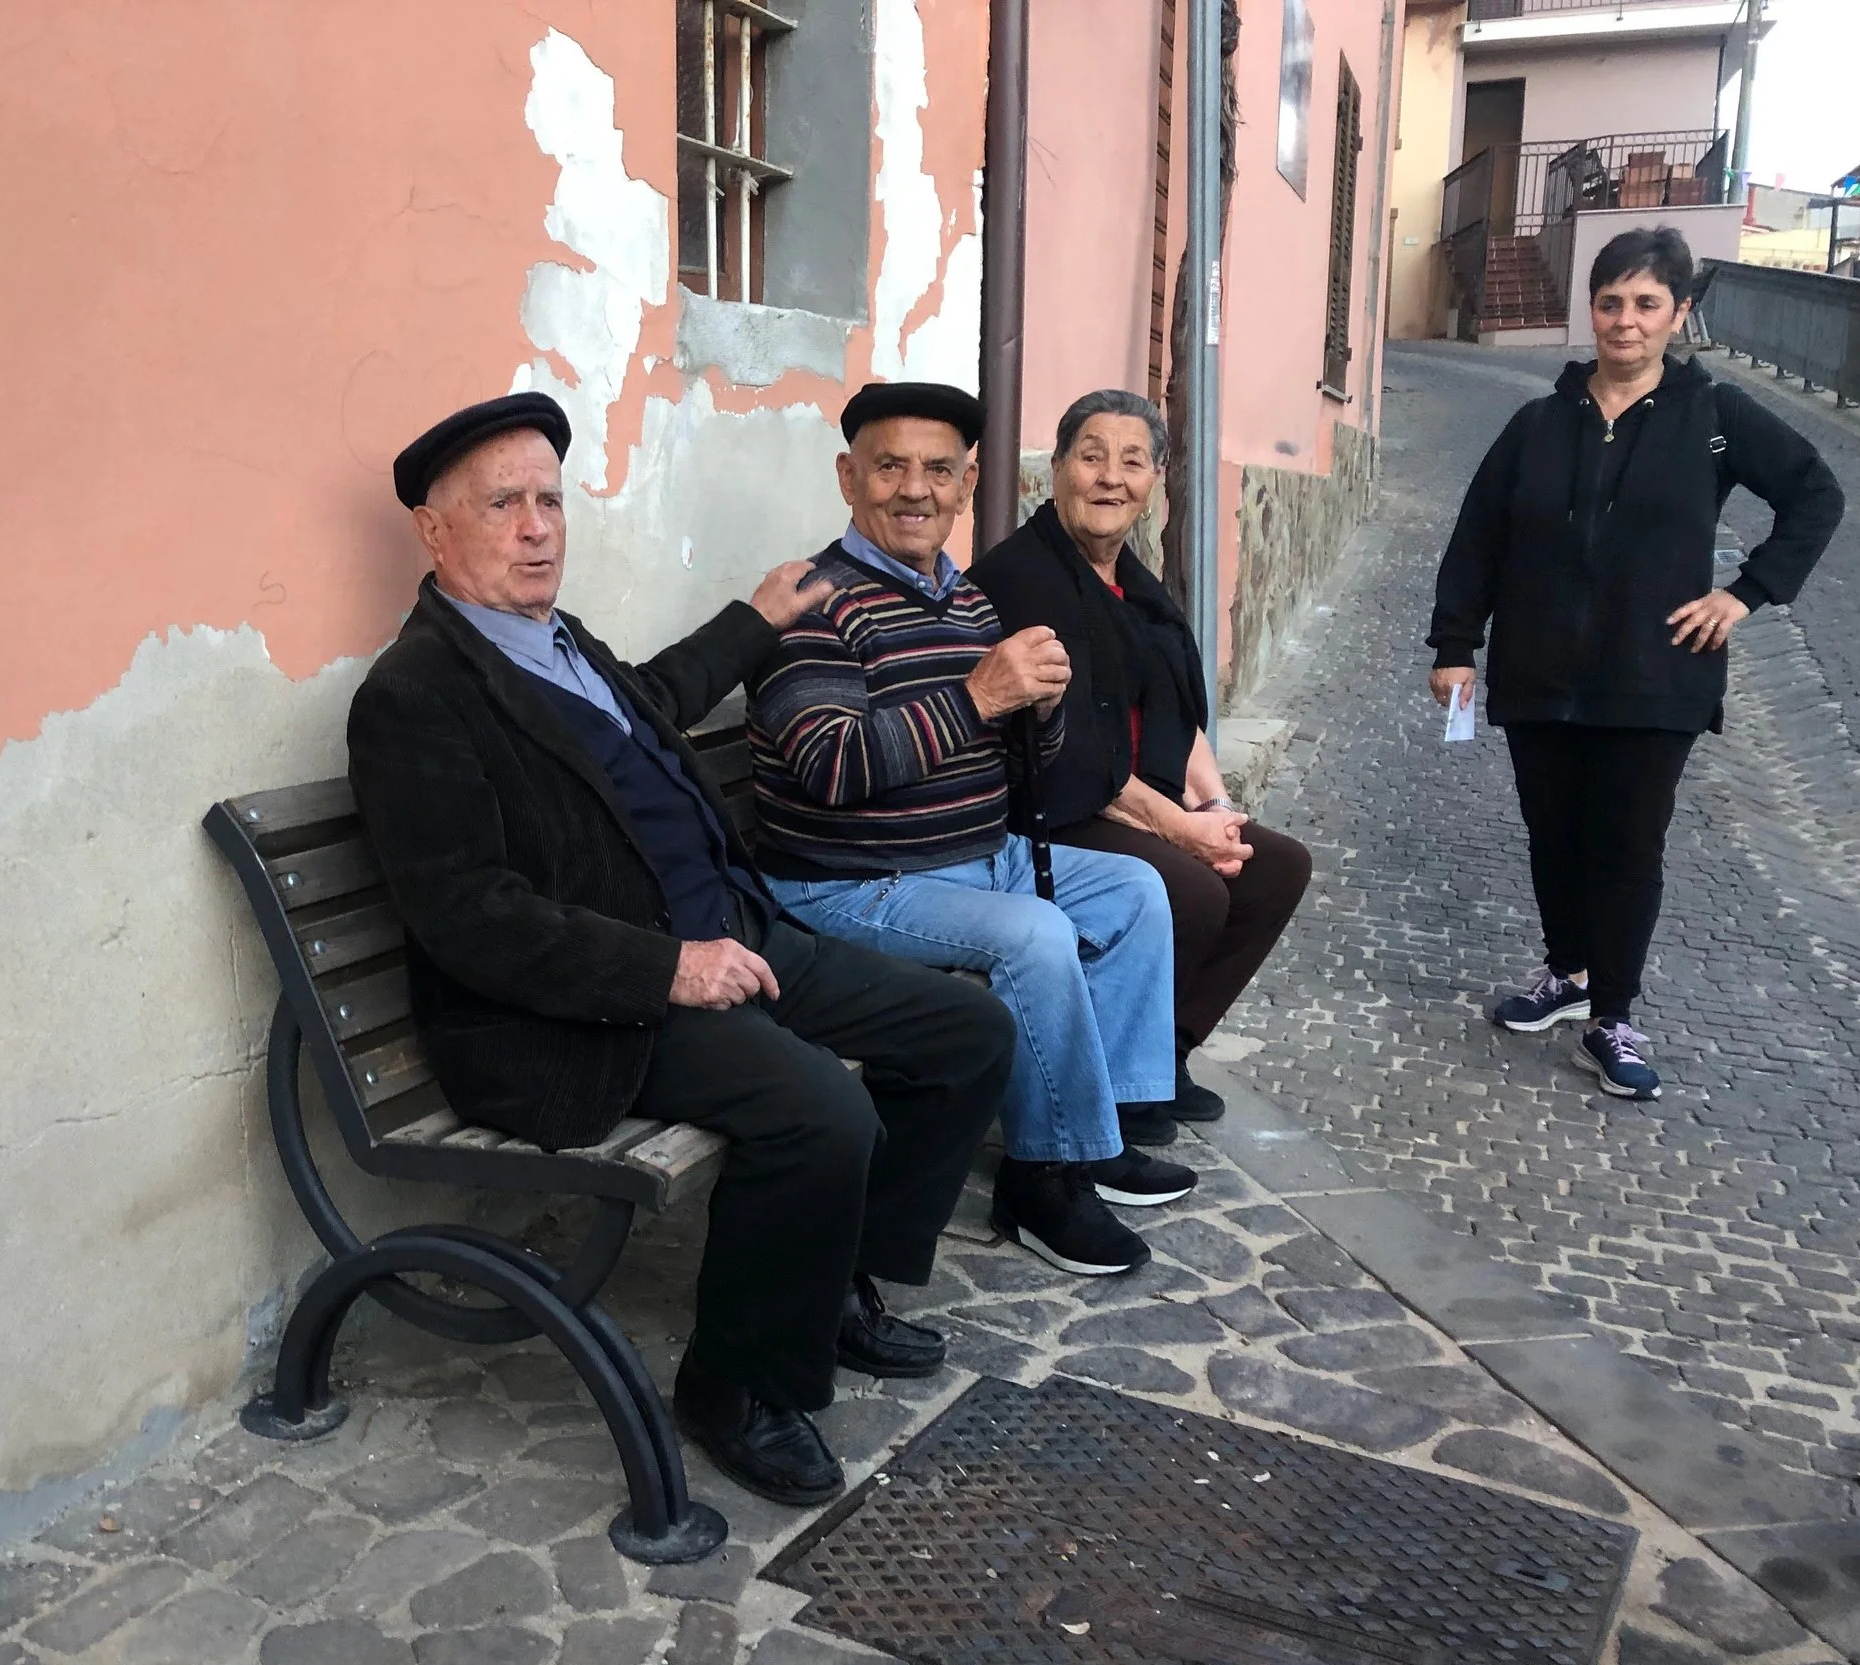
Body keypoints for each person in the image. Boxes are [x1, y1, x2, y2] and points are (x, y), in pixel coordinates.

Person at [346, 392, 1015, 1508]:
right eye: (502, 505)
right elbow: (469, 915)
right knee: (821, 1112)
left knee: (965, 1030)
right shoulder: (415, 695)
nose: (536, 528)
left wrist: (751, 622)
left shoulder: (557, 644)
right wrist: (668, 970)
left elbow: (647, 706)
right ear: (433, 529)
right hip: (584, 1010)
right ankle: (735, 1388)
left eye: (548, 501)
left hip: (723, 934)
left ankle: (839, 1282)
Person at [745, 380, 1194, 1282]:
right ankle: (1042, 1180)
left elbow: (1016, 755)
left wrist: (1042, 706)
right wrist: (980, 695)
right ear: (849, 477)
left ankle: (1106, 1128)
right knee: (1035, 934)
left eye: (939, 471)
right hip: (847, 882)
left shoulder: (966, 602)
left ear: (967, 483)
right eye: (890, 467)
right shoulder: (811, 606)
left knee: (1137, 889)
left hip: (968, 861)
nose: (916, 489)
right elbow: (833, 768)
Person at [1430, 227, 1843, 1099]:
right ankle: (1568, 972)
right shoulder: (1537, 424)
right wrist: (1456, 646)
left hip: (1656, 677)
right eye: (1610, 302)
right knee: (1554, 835)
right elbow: (1479, 538)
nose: (1625, 321)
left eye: (1646, 303)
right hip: (1541, 671)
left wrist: (1746, 592)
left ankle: (1611, 1014)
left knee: (1625, 844)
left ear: (1678, 313)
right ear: (1593, 309)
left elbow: (1815, 493)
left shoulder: (1718, 420)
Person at [971, 390, 1311, 1137]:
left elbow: (1172, 709)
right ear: (1056, 469)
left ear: (1156, 477)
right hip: (1047, 805)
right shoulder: (1026, 577)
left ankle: (1167, 1050)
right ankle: (1117, 1085)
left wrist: (1214, 805)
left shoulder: (1134, 582)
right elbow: (1075, 752)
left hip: (1125, 796)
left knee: (1276, 864)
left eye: (1132, 461)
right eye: (1091, 456)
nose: (1110, 478)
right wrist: (1179, 831)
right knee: (1192, 889)